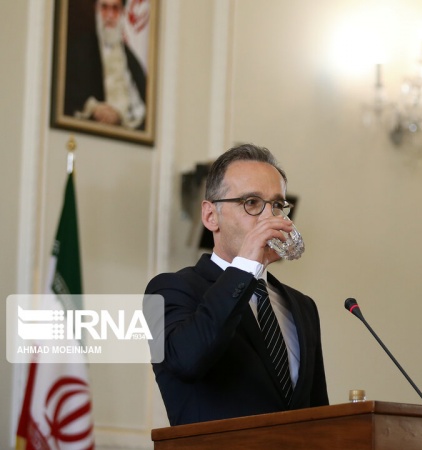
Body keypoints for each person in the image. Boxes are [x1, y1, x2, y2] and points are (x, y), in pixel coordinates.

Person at [146, 144, 329, 426]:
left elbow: (318, 413)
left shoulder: (303, 306)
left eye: (277, 205)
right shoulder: (167, 290)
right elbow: (186, 361)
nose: (270, 218)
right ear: (210, 216)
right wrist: (245, 267)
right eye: (252, 203)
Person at [64, 0, 147, 130]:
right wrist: (94, 108)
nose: (109, 16)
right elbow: (69, 92)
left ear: (122, 13)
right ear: (96, 9)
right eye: (104, 8)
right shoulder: (78, 49)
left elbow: (144, 104)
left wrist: (120, 116)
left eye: (115, 9)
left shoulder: (131, 59)